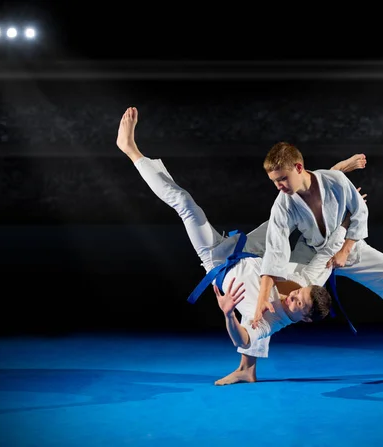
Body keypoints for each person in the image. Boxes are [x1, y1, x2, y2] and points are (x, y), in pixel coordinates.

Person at [115, 107, 364, 385]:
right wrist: (346, 217)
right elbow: (329, 249)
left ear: (303, 319)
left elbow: (244, 338)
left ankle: (131, 151)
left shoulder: (272, 321)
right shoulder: (311, 280)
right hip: (253, 250)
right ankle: (247, 370)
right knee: (296, 206)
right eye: (299, 293)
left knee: (185, 205)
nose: (293, 296)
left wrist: (229, 314)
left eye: (296, 303)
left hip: (218, 261)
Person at [252, 141, 383, 386]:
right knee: (276, 300)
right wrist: (261, 300)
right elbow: (275, 250)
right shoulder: (283, 203)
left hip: (349, 246)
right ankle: (247, 367)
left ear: (298, 167)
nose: (279, 186)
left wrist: (345, 250)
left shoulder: (335, 181)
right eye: (274, 181)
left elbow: (360, 213)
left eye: (282, 179)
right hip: (310, 253)